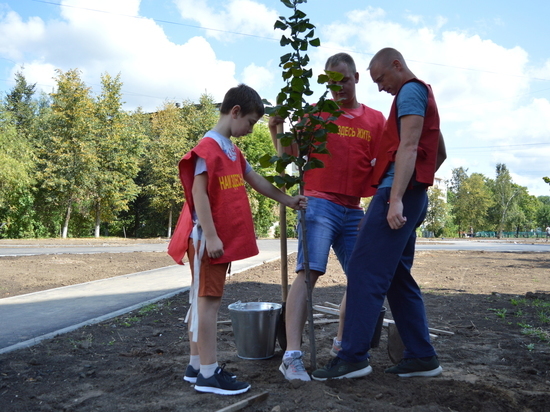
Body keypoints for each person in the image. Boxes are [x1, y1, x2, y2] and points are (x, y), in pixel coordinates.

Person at [312, 47, 447, 380]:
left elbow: (411, 146)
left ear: (397, 65)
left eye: (381, 78)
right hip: (410, 195)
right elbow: (439, 151)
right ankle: (422, 356)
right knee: (397, 277)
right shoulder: (421, 95)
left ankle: (353, 356)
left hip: (396, 196)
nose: (379, 87)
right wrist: (419, 185)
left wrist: (398, 196)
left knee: (363, 268)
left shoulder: (410, 92)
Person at [168, 84, 307, 395]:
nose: (250, 129)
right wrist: (213, 235)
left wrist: (287, 199)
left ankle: (195, 366)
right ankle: (208, 374)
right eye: (251, 122)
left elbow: (255, 180)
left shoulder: (231, 150)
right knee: (208, 303)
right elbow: (198, 193)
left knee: (202, 300)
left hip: (216, 240)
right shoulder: (208, 147)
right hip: (208, 240)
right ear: (235, 112)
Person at [269, 52, 385, 381]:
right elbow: (286, 157)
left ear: (357, 78)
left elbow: (384, 163)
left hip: (355, 208)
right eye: (332, 83)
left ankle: (342, 348)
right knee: (308, 274)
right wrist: (275, 130)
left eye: (344, 81)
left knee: (363, 277)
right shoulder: (315, 116)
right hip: (318, 203)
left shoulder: (376, 120)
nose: (339, 88)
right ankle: (291, 356)